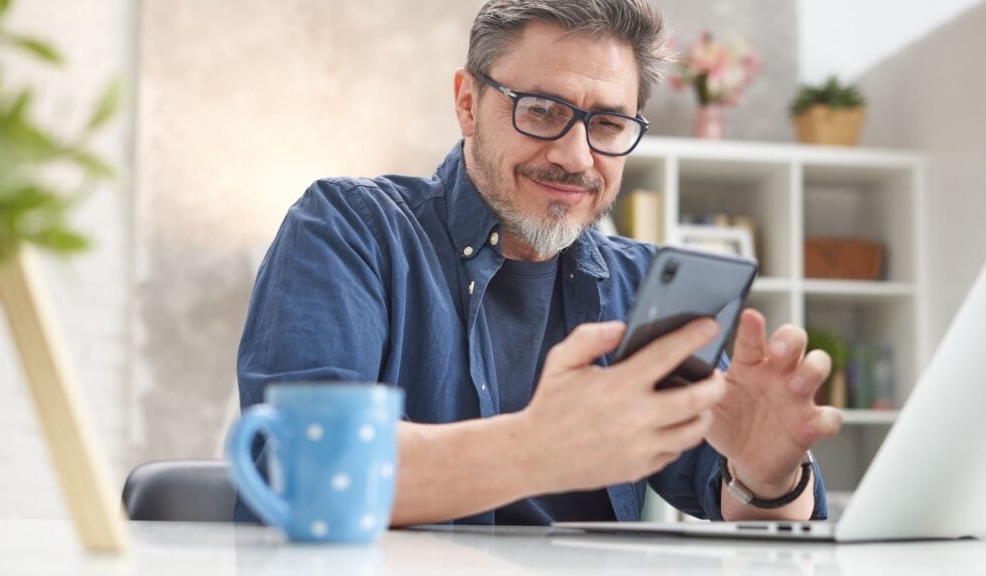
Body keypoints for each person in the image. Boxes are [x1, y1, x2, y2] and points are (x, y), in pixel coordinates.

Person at [235, 0, 842, 526]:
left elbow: (751, 514)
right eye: (542, 110)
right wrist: (538, 448)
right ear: (468, 103)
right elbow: (306, 472)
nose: (576, 157)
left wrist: (768, 474)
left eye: (607, 124)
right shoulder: (349, 229)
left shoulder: (642, 285)